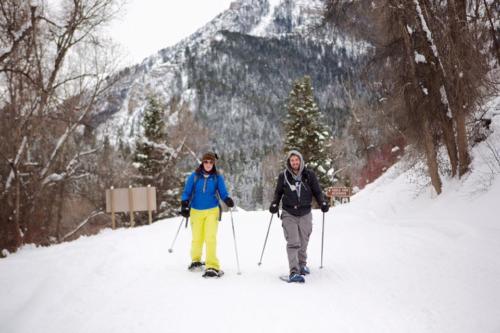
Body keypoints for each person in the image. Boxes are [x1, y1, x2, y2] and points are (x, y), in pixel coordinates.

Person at [269, 150, 329, 283]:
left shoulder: (309, 175)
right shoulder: (283, 176)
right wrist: (274, 204)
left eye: (297, 160)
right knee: (293, 242)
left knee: (304, 241)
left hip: (305, 213)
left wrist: (323, 202)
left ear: (301, 161)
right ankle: (294, 271)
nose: (295, 162)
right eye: (292, 160)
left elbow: (317, 191)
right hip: (289, 213)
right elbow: (278, 193)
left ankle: (302, 264)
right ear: (289, 162)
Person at [180, 152, 234, 278]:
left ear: (214, 163)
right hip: (195, 211)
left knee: (210, 238)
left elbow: (223, 193)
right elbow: (186, 192)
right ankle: (196, 260)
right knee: (197, 238)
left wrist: (227, 200)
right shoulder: (194, 176)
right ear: (202, 162)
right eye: (206, 162)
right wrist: (184, 204)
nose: (208, 164)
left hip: (212, 211)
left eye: (211, 162)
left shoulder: (217, 177)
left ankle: (212, 266)